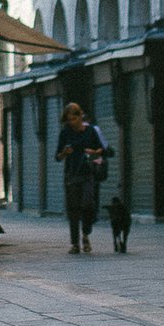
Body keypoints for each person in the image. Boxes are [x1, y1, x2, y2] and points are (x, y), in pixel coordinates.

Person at [54, 101, 109, 254]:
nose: (71, 122)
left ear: (80, 116)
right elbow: (57, 157)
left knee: (88, 204)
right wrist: (65, 152)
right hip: (71, 174)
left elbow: (102, 149)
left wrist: (93, 152)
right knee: (73, 209)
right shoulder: (65, 133)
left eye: (74, 119)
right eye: (69, 120)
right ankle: (75, 244)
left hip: (87, 173)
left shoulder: (90, 131)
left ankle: (85, 233)